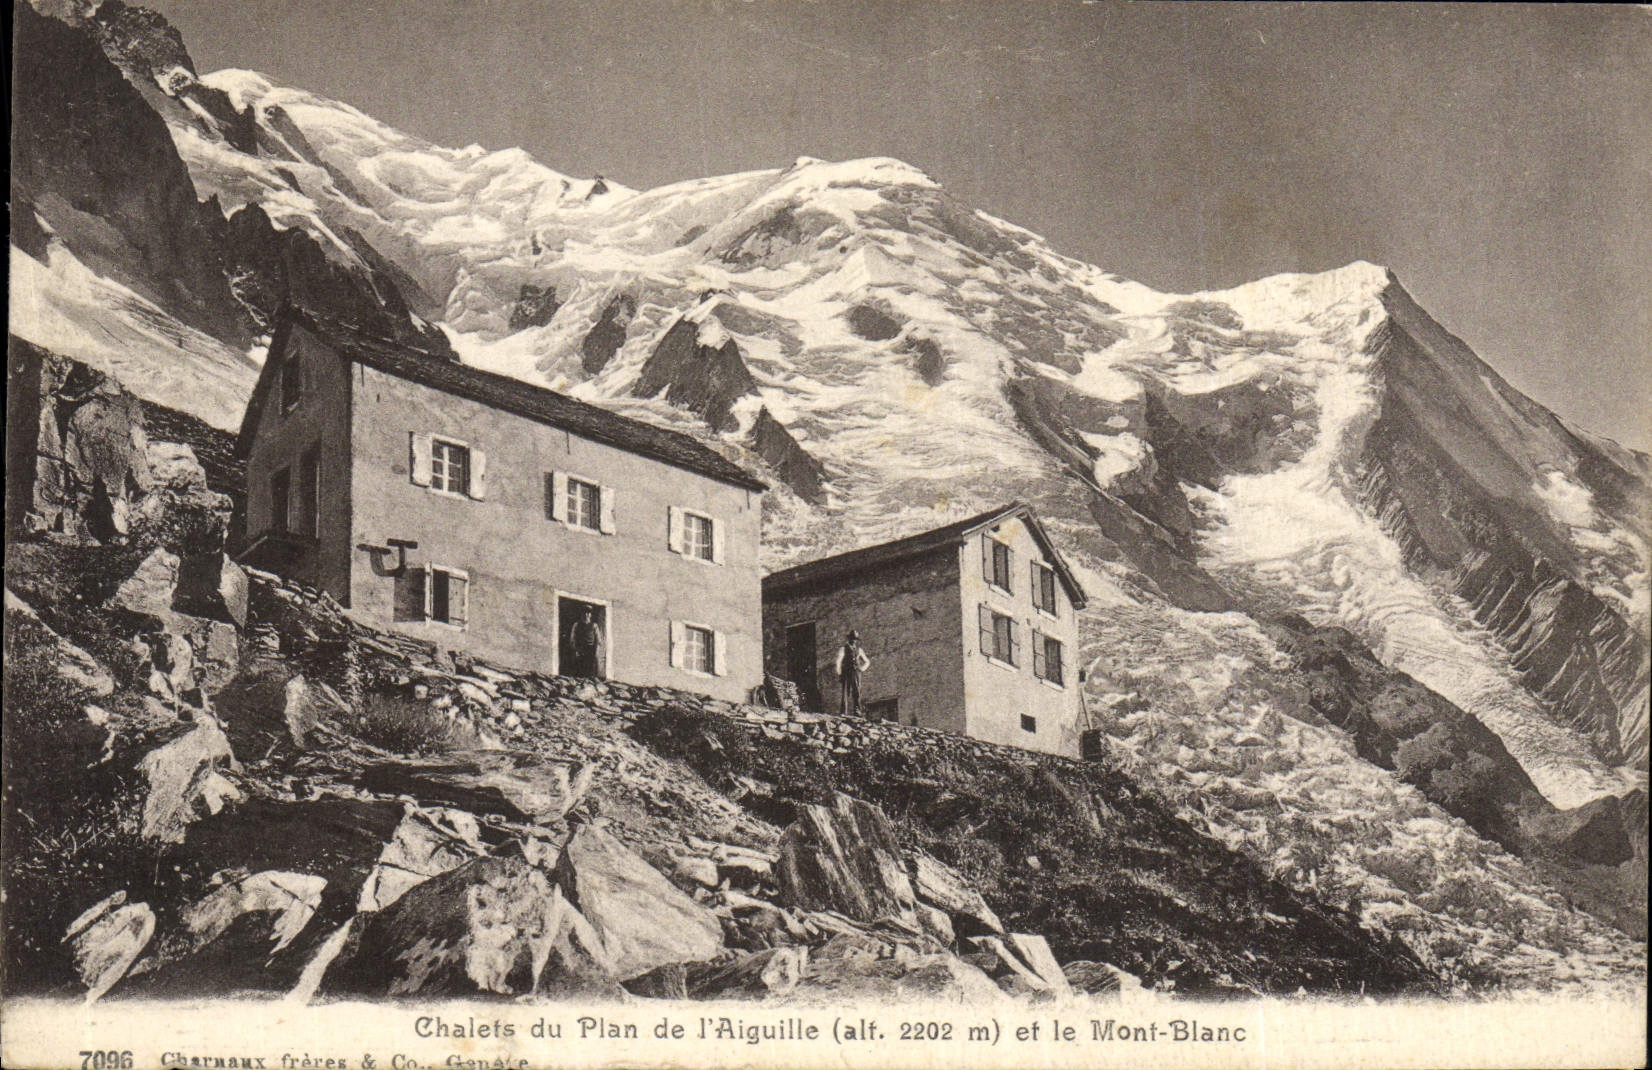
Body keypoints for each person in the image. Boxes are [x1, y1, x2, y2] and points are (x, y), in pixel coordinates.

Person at [835, 630, 871, 718]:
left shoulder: (859, 650)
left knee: (857, 691)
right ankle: (843, 711)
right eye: (852, 639)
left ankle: (857, 711)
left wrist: (861, 669)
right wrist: (839, 672)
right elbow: (838, 661)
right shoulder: (843, 649)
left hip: (856, 672)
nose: (854, 641)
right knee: (845, 692)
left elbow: (867, 661)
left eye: (855, 639)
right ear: (849, 639)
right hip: (846, 672)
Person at [569, 608, 605, 678]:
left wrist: (596, 651)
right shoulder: (576, 625)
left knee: (590, 670)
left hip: (590, 650)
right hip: (580, 649)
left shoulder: (594, 625)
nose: (586, 615)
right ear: (581, 614)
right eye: (584, 613)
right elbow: (572, 639)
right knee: (579, 670)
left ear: (591, 615)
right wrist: (575, 650)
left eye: (588, 613)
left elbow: (598, 640)